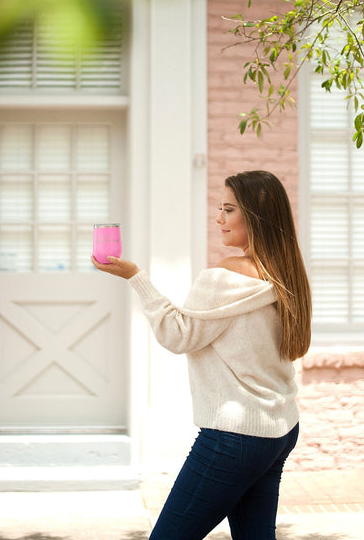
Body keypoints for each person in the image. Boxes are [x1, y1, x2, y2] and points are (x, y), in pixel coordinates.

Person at [91, 170, 312, 540]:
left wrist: (135, 277)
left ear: (255, 217)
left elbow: (178, 335)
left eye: (228, 210)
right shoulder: (285, 275)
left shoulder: (223, 277)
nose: (218, 219)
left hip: (235, 437)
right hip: (280, 429)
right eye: (219, 209)